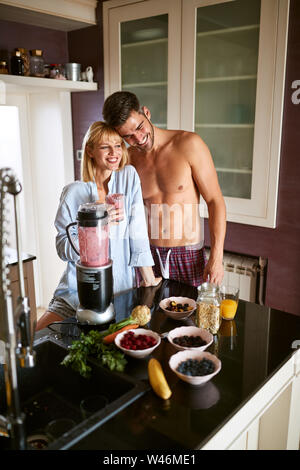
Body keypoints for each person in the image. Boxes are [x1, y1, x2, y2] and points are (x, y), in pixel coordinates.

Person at [36, 121, 161, 331]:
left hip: (120, 294)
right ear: (90, 151)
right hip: (76, 294)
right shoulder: (73, 192)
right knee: (36, 343)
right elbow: (62, 248)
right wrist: (95, 227)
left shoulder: (128, 178)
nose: (114, 153)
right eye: (105, 147)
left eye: (118, 145)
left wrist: (148, 278)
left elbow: (137, 232)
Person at [102, 91, 226, 287]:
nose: (139, 138)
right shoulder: (128, 159)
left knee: (192, 317)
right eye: (128, 136)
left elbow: (214, 201)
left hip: (188, 255)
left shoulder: (189, 144)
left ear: (146, 113)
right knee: (147, 316)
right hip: (147, 257)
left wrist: (217, 257)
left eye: (139, 128)